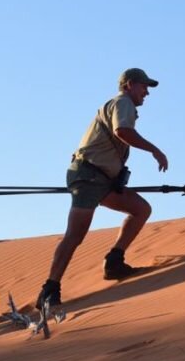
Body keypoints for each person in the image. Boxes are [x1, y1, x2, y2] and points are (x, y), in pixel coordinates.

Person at [35, 68, 169, 309]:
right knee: (75, 235)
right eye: (143, 86)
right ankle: (49, 289)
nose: (146, 92)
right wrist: (154, 150)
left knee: (140, 209)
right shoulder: (123, 102)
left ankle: (114, 262)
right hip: (89, 176)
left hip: (100, 179)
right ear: (129, 85)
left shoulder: (122, 104)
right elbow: (122, 131)